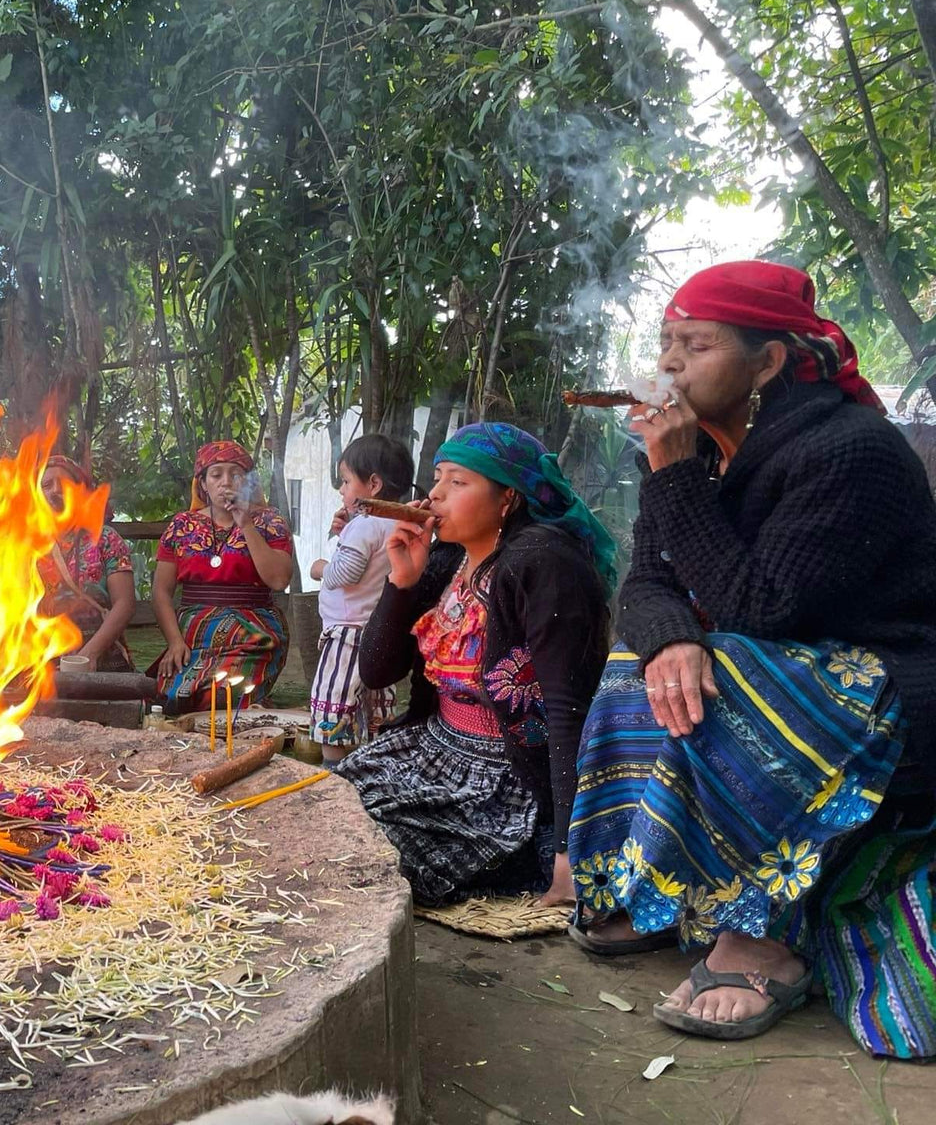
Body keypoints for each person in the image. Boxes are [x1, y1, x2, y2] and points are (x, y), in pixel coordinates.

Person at [566, 260, 936, 1056]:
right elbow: (645, 585)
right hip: (771, 664)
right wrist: (668, 638)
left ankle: (760, 937)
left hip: (889, 685)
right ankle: (655, 887)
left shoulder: (849, 450)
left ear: (767, 362)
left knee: (726, 670)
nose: (668, 364)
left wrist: (673, 480)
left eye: (696, 345)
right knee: (642, 670)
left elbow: (763, 608)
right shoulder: (691, 452)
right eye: (667, 342)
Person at [340, 422, 616, 908]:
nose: (436, 495)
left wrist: (568, 852)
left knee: (368, 852)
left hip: (502, 786)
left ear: (507, 497)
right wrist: (401, 582)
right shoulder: (450, 560)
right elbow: (377, 673)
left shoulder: (544, 564)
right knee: (329, 804)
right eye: (438, 477)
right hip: (435, 750)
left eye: (459, 482)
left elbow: (567, 710)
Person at [150, 441, 295, 713]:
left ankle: (246, 698)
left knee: (221, 695)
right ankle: (250, 701)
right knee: (171, 697)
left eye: (236, 474)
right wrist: (174, 642)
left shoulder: (270, 521)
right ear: (203, 484)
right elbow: (160, 591)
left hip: (255, 633)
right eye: (216, 475)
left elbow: (278, 580)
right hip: (194, 631)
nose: (226, 482)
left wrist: (246, 525)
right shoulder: (182, 525)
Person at [308, 434, 415, 766]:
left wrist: (321, 568)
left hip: (347, 633)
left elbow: (346, 574)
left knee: (334, 694)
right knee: (374, 697)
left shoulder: (366, 525)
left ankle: (333, 763)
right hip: (378, 631)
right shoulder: (403, 523)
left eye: (346, 481)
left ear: (373, 484)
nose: (342, 490)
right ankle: (374, 759)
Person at [38, 455, 137, 671]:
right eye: (47, 485)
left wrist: (90, 655)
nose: (55, 490)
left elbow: (125, 604)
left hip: (101, 653)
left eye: (64, 484)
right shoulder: (24, 545)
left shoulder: (105, 538)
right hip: (40, 657)